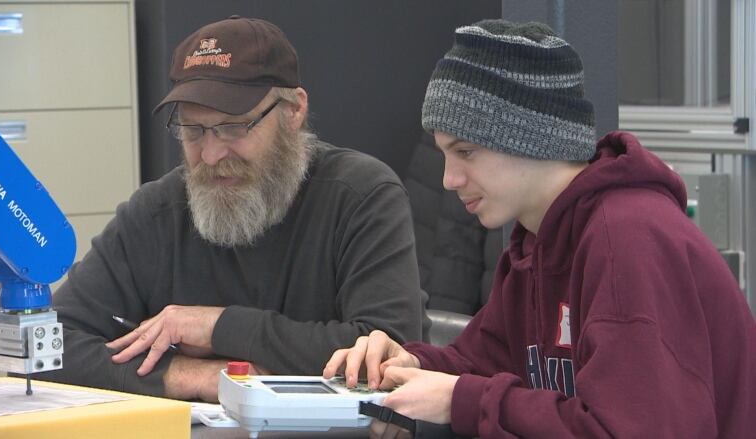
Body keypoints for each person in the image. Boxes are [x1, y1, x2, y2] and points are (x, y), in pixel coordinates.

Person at [324, 19, 756, 438]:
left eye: (466, 152)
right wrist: (407, 366)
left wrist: (462, 400)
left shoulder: (627, 238)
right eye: (444, 155)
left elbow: (636, 428)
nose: (448, 179)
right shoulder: (537, 243)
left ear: (532, 140)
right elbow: (481, 363)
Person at [36, 15, 426, 402]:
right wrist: (197, 377)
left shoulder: (361, 196)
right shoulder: (156, 212)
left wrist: (215, 326)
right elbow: (47, 348)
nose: (209, 154)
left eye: (234, 127)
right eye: (193, 129)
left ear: (293, 112)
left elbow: (390, 351)